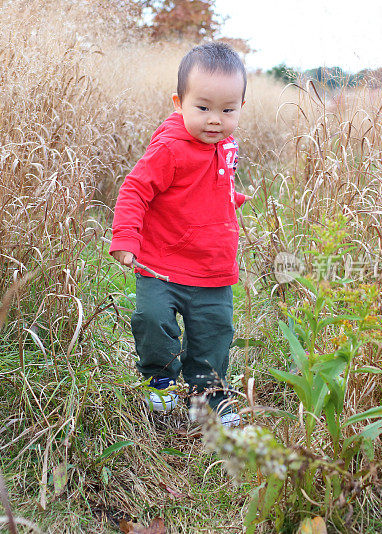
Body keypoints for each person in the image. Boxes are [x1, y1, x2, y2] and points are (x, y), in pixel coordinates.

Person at [109, 42, 248, 428]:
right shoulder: (170, 149)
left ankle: (209, 394)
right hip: (161, 262)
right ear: (179, 102)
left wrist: (230, 197)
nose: (215, 119)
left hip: (213, 266)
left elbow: (206, 185)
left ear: (240, 107)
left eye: (227, 110)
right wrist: (125, 237)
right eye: (202, 108)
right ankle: (160, 380)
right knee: (152, 319)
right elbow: (136, 189)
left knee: (215, 331)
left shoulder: (227, 146)